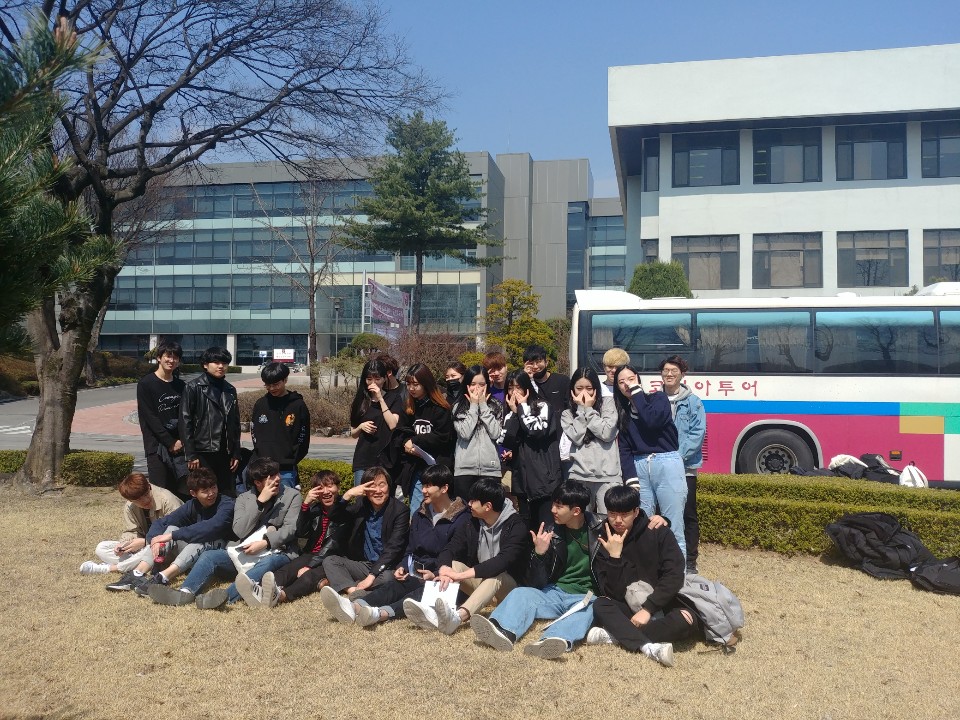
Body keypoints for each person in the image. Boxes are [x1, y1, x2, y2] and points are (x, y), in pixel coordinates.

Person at [322, 464, 469, 627]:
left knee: (416, 593)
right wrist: (403, 566)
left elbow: (457, 556)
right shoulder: (420, 515)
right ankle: (355, 606)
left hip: (445, 575)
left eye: (428, 486)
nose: (423, 490)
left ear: (444, 488)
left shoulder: (462, 518)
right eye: (423, 485)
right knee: (396, 586)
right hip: (418, 571)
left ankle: (380, 614)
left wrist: (434, 573)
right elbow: (409, 548)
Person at [471, 481, 603, 659]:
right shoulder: (550, 531)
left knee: (588, 610)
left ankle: (552, 640)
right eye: (553, 504)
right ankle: (502, 631)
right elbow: (536, 582)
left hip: (586, 596)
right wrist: (540, 554)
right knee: (521, 593)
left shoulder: (601, 529)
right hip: (555, 592)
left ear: (576, 511)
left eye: (559, 506)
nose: (552, 510)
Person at [147, 458, 302, 609]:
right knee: (209, 556)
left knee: (267, 564)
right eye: (271, 477)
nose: (277, 479)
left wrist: (265, 542)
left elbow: (290, 529)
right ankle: (185, 592)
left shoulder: (292, 496)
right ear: (258, 482)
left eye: (277, 474)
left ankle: (225, 598)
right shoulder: (244, 498)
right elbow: (240, 530)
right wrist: (259, 503)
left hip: (278, 552)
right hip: (244, 551)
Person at [588, 485, 699, 667]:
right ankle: (647, 647)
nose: (617, 520)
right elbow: (613, 593)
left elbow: (674, 574)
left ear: (636, 511)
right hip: (626, 604)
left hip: (662, 603)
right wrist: (614, 557)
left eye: (624, 514)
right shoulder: (602, 538)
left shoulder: (657, 531)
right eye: (612, 514)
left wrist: (648, 609)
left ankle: (615, 636)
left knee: (685, 620)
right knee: (601, 604)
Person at [403, 477, 528, 635]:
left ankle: (457, 617)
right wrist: (444, 570)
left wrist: (461, 576)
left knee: (496, 575)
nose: (469, 504)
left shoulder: (516, 526)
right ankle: (432, 612)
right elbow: (450, 548)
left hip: (510, 591)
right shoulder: (472, 522)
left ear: (488, 506)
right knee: (453, 565)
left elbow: (502, 562)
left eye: (474, 501)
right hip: (483, 587)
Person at [613, 364, 688, 562]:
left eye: (630, 379)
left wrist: (636, 393)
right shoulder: (624, 412)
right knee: (641, 523)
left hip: (667, 462)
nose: (626, 384)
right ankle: (646, 571)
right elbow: (625, 449)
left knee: (673, 523)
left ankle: (677, 575)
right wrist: (631, 479)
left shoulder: (659, 398)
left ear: (638, 379)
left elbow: (651, 420)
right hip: (639, 466)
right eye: (621, 382)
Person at [134, 467, 236, 596]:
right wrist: (154, 540)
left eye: (213, 487)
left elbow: (212, 527)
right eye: (205, 491)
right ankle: (137, 573)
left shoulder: (226, 503)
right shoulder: (192, 505)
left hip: (221, 551)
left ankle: (163, 577)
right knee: (171, 528)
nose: (211, 493)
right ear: (193, 493)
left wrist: (172, 536)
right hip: (195, 552)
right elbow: (163, 522)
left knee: (195, 538)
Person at [318, 466, 410, 607]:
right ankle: (353, 591)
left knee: (389, 578)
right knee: (331, 561)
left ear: (389, 486)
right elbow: (334, 516)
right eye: (372, 486)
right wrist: (348, 495)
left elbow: (394, 547)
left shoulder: (400, 511)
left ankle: (345, 584)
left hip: (387, 566)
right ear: (365, 490)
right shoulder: (362, 504)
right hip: (365, 564)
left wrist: (371, 576)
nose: (378, 491)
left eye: (382, 485)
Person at [258, 469, 347, 607]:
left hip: (332, 558)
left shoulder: (346, 512)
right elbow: (301, 533)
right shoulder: (316, 509)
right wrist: (306, 505)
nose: (326, 492)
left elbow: (332, 546)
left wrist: (309, 566)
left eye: (330, 486)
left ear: (338, 488)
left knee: (308, 576)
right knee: (287, 570)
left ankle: (281, 596)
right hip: (311, 553)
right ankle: (259, 590)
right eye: (321, 488)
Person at [83, 473, 182, 589]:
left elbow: (175, 533)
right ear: (130, 500)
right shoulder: (130, 506)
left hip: (168, 548)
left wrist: (145, 542)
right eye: (138, 499)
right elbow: (132, 530)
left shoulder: (167, 500)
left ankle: (110, 568)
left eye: (146, 494)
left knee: (148, 549)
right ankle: (138, 564)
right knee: (101, 548)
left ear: (149, 486)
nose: (145, 500)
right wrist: (125, 544)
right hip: (144, 549)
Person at [660, 355, 706, 574]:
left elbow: (697, 434)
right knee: (660, 514)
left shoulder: (693, 402)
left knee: (688, 515)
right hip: (659, 468)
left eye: (674, 371)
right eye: (666, 371)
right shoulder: (654, 400)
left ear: (682, 374)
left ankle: (690, 561)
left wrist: (676, 458)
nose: (669, 374)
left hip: (685, 468)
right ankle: (664, 558)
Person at [503, 370, 562, 532]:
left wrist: (522, 407)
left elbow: (536, 430)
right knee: (527, 531)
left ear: (527, 388)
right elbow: (506, 440)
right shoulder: (512, 413)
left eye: (518, 387)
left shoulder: (542, 406)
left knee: (546, 530)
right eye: (510, 388)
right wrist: (514, 413)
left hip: (544, 482)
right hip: (522, 483)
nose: (514, 392)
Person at [180, 346, 241, 498]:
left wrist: (236, 452)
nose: (221, 366)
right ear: (205, 365)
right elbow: (185, 422)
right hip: (203, 451)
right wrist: (190, 454)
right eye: (216, 362)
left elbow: (235, 423)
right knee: (205, 492)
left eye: (224, 363)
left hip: (225, 452)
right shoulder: (193, 387)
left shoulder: (230, 390)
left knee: (226, 492)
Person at [561, 367, 621, 514]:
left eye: (589, 388)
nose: (584, 393)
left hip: (608, 476)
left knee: (608, 520)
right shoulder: (567, 414)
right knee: (580, 520)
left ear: (596, 389)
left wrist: (589, 410)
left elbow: (607, 433)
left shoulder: (608, 403)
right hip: (579, 476)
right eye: (579, 388)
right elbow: (577, 437)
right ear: (572, 390)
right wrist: (581, 410)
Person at [398, 363, 454, 515]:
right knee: (417, 511)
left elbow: (443, 437)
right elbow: (401, 432)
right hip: (416, 468)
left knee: (440, 511)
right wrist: (406, 443)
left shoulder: (440, 408)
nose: (411, 388)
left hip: (437, 468)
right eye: (408, 384)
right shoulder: (408, 407)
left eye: (416, 384)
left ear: (426, 383)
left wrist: (416, 441)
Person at [136, 339, 187, 496]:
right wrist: (169, 442)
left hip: (179, 446)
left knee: (182, 490)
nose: (172, 360)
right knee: (160, 491)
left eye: (175, 357)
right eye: (168, 356)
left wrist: (181, 440)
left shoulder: (181, 386)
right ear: (159, 357)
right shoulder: (146, 384)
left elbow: (186, 416)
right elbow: (149, 417)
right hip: (156, 446)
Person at [250, 362, 311, 490]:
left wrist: (292, 458)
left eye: (276, 384)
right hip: (262, 469)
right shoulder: (260, 404)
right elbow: (254, 432)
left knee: (286, 501)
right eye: (268, 385)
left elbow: (304, 436)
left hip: (286, 469)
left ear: (285, 380)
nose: (272, 388)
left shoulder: (298, 405)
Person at [451, 365, 504, 502]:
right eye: (473, 384)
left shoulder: (496, 406)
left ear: (487, 385)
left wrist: (484, 406)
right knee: (464, 510)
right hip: (465, 470)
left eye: (481, 384)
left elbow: (496, 433)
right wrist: (474, 406)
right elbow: (465, 433)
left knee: (489, 510)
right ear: (467, 385)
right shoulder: (458, 407)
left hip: (490, 469)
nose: (477, 389)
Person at [349, 357, 404, 486]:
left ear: (385, 378)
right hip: (363, 458)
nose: (373, 383)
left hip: (385, 459)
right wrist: (361, 427)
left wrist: (380, 399)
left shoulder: (394, 398)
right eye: (369, 379)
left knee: (383, 495)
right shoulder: (361, 400)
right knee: (361, 495)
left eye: (377, 379)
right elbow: (353, 434)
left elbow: (393, 424)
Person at [522, 344, 569, 416]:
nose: (535, 366)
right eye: (531, 363)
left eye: (538, 362)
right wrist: (525, 378)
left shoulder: (562, 381)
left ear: (546, 362)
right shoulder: (524, 385)